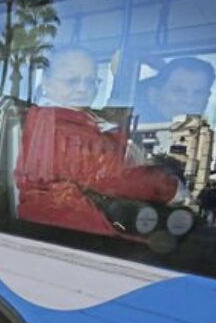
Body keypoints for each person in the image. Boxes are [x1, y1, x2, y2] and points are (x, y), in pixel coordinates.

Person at [16, 47, 181, 238]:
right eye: (72, 81)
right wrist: (168, 187)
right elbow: (109, 177)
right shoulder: (58, 125)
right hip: (70, 224)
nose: (83, 88)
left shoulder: (80, 119)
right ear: (47, 82)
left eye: (91, 81)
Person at [135, 57, 215, 124]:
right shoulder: (130, 133)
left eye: (199, 93)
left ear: (207, 98)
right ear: (154, 95)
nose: (189, 100)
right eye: (179, 91)